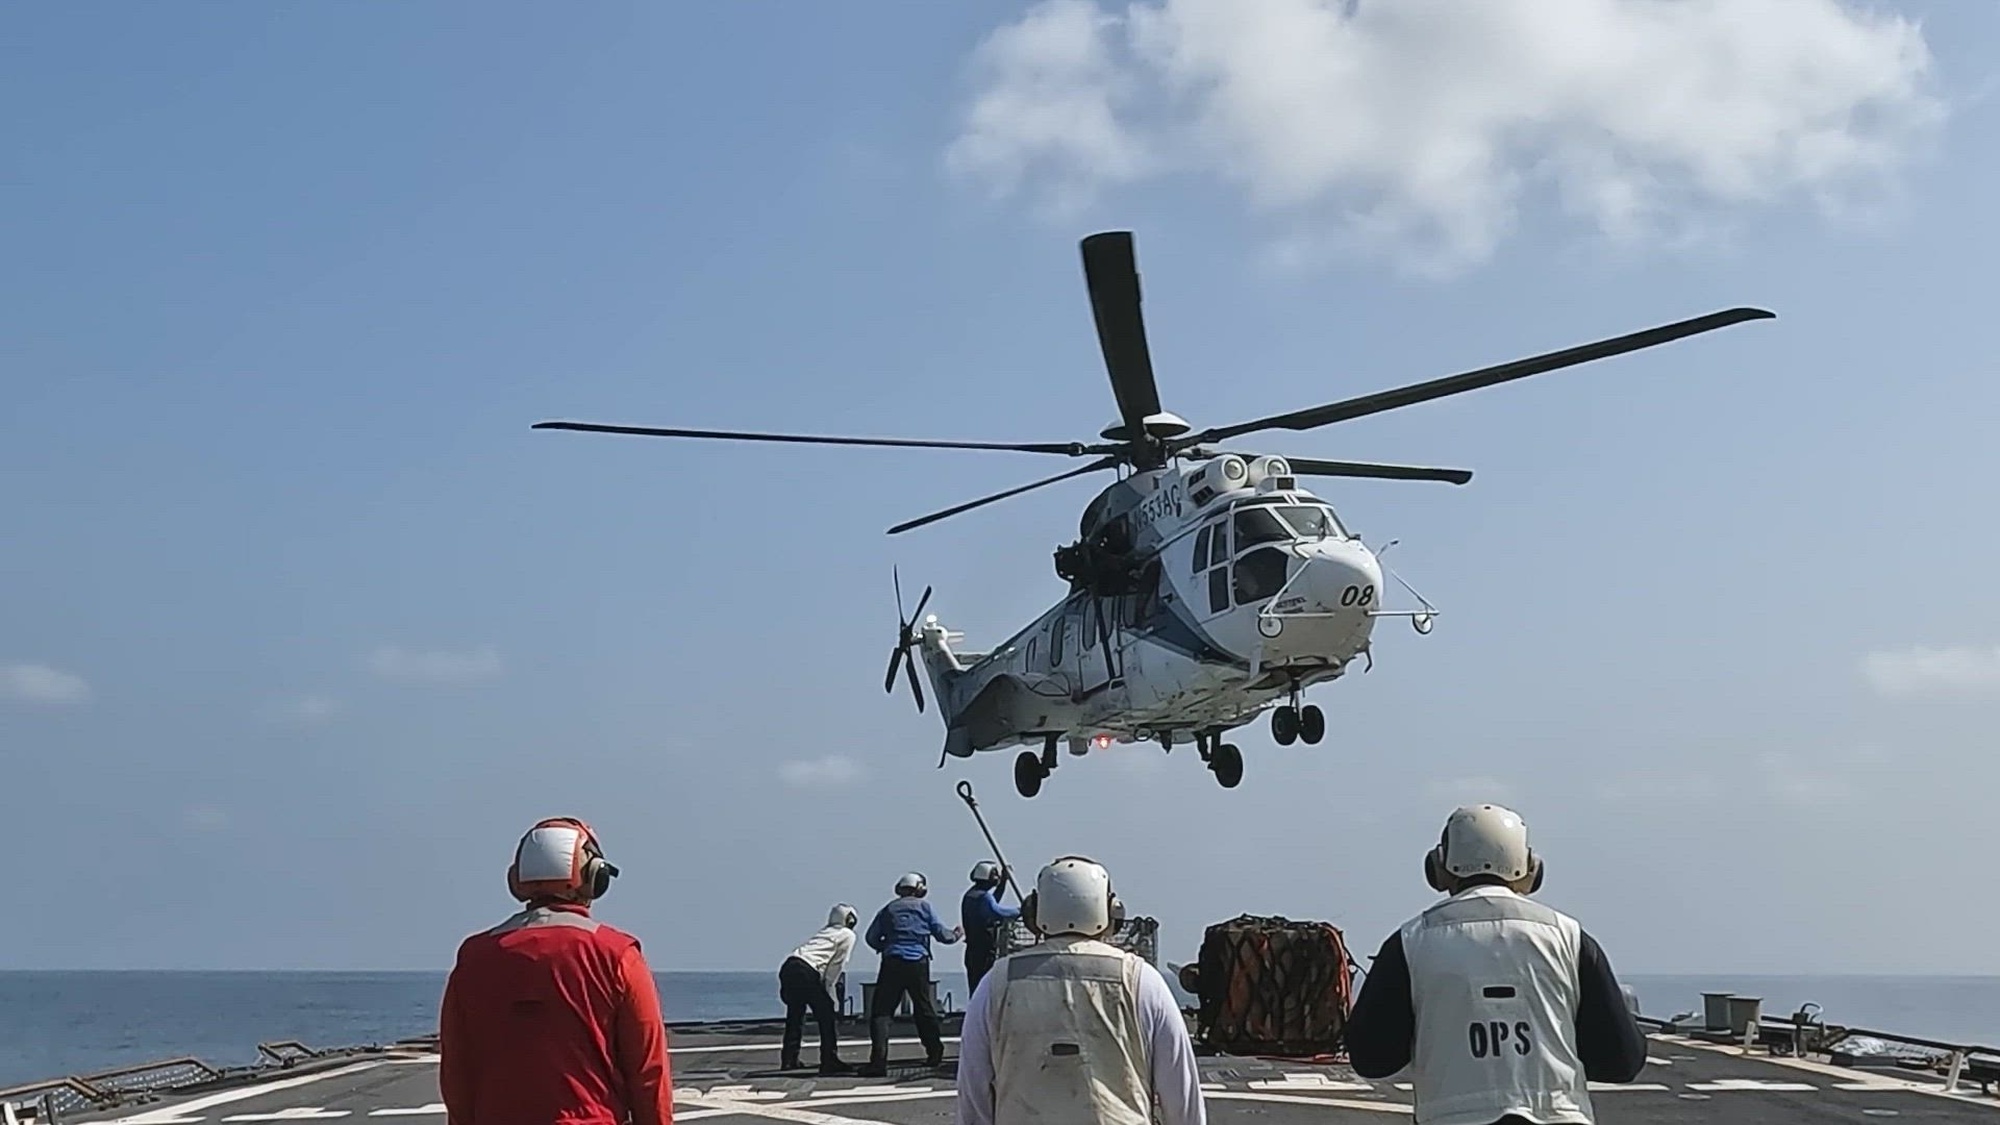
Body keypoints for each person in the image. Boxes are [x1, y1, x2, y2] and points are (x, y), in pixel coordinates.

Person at [1344, 804, 1648, 1125]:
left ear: (1439, 866)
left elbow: (1372, 1060)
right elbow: (1621, 1062)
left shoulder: (1411, 940)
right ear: (1532, 867)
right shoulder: (1570, 938)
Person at [439, 817, 673, 1125]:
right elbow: (648, 1072)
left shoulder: (473, 959)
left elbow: (457, 1072)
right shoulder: (617, 955)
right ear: (594, 877)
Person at [956, 855, 1205, 1125]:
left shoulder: (995, 983)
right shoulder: (1142, 980)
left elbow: (973, 1094)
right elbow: (1182, 1094)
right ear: (1111, 911)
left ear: (1035, 913)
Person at [860, 871, 962, 1076]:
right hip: (918, 962)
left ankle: (878, 1061)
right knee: (924, 1008)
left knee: (882, 1012)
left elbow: (871, 937)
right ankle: (935, 1053)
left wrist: (884, 945)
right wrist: (957, 933)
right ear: (920, 889)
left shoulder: (888, 909)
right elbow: (943, 935)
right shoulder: (925, 908)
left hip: (892, 962)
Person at [780, 904, 860, 1075]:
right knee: (827, 1017)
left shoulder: (826, 931)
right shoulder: (847, 935)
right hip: (807, 970)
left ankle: (789, 1059)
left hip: (790, 965)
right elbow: (836, 965)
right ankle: (829, 1060)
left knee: (795, 1015)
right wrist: (831, 993)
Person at [960, 861, 1020, 995]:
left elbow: (993, 901)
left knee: (976, 988)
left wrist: (1004, 882)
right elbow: (997, 912)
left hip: (972, 950)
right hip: (983, 951)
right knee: (984, 988)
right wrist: (1020, 911)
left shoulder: (971, 895)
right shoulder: (982, 897)